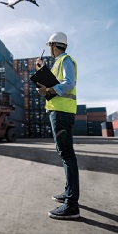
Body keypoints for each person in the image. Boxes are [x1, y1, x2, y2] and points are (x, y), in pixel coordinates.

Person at [36, 32, 80, 220]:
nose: (49, 49)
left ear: (55, 45)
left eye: (50, 46)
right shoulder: (57, 63)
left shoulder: (66, 60)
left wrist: (49, 90)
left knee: (67, 155)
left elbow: (69, 84)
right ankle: (68, 193)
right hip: (58, 111)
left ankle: (71, 205)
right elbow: (55, 82)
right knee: (65, 154)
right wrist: (42, 70)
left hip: (62, 112)